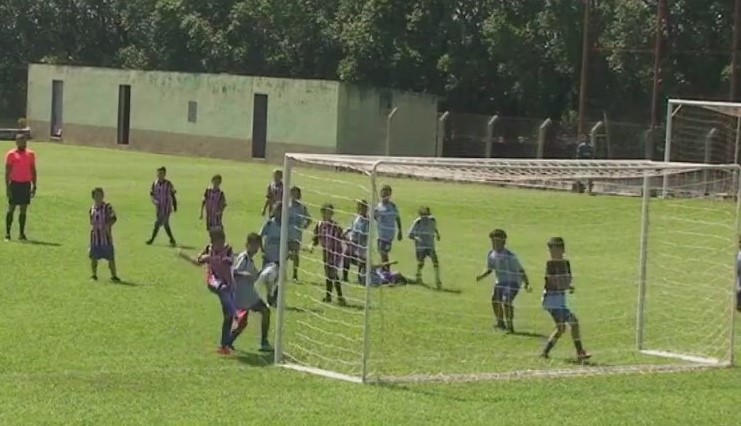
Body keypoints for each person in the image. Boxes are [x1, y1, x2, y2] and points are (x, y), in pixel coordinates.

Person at [180, 227, 236, 355]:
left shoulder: (228, 249)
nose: (220, 245)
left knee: (228, 316)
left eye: (222, 242)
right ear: (213, 241)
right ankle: (233, 311)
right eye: (217, 242)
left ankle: (224, 345)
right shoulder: (208, 249)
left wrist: (210, 258)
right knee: (223, 291)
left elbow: (228, 262)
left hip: (228, 284)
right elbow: (198, 262)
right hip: (214, 281)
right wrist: (186, 256)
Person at [540, 237, 591, 361]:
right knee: (573, 322)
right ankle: (580, 352)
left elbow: (567, 278)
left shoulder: (566, 263)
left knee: (561, 328)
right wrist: (564, 284)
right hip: (551, 300)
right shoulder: (550, 264)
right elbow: (552, 281)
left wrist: (567, 285)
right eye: (551, 251)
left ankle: (544, 352)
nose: (552, 254)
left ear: (562, 250)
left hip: (559, 300)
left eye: (555, 251)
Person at [475, 229, 531, 334]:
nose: (494, 244)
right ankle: (500, 322)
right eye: (493, 241)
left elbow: (520, 270)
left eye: (497, 241)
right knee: (495, 301)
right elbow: (490, 268)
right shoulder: (491, 254)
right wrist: (481, 276)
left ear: (503, 242)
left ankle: (510, 326)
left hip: (512, 282)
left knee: (506, 301)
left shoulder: (510, 256)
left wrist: (526, 283)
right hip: (500, 283)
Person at [230, 233, 273, 352]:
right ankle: (228, 342)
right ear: (248, 245)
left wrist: (265, 272)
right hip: (243, 296)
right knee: (245, 322)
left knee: (263, 312)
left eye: (257, 246)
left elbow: (254, 276)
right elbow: (234, 272)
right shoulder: (243, 258)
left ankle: (228, 342)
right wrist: (245, 274)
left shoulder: (250, 260)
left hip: (249, 295)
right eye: (254, 246)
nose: (256, 249)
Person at [5, 133, 37, 241]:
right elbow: (7, 171)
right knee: (11, 209)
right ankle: (8, 234)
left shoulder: (31, 154)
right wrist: (7, 187)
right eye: (21, 141)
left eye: (25, 141)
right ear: (16, 142)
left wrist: (34, 185)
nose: (23, 143)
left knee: (23, 210)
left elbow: (33, 170)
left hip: (26, 184)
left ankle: (21, 234)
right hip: (14, 184)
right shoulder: (11, 154)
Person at [312, 203, 345, 305]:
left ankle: (339, 296)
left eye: (329, 212)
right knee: (328, 274)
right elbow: (316, 237)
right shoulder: (319, 224)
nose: (327, 214)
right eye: (325, 212)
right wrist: (312, 245)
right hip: (325, 252)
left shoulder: (335, 226)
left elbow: (341, 236)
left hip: (335, 252)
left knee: (333, 274)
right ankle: (329, 296)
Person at [89, 187, 120, 282]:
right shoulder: (92, 209)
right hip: (95, 238)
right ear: (93, 197)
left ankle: (114, 276)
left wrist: (107, 225)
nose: (98, 197)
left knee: (110, 258)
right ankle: (94, 275)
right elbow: (91, 221)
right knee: (94, 258)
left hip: (106, 238)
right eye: (96, 195)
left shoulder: (107, 207)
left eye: (100, 195)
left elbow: (114, 218)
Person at [408, 206, 441, 288]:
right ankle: (418, 276)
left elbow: (434, 228)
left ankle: (437, 280)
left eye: (426, 215)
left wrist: (437, 234)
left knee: (435, 261)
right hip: (421, 246)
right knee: (421, 263)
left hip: (430, 245)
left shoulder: (432, 220)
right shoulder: (417, 222)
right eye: (423, 215)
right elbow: (410, 234)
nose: (424, 217)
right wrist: (417, 238)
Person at [146, 166, 178, 246]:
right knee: (163, 223)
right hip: (159, 208)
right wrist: (154, 200)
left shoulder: (168, 184)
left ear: (164, 174)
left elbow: (173, 195)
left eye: (161, 173)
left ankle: (152, 240)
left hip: (166, 208)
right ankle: (172, 239)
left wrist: (175, 205)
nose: (160, 175)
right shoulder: (154, 183)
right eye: (159, 173)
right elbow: (152, 194)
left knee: (161, 223)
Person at [374, 185, 402, 267]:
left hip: (388, 235)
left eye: (387, 193)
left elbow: (397, 218)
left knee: (384, 253)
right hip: (380, 234)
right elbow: (374, 218)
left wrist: (400, 231)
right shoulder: (378, 206)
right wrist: (375, 215)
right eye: (384, 193)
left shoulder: (393, 206)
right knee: (381, 253)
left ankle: (386, 271)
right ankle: (384, 271)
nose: (385, 195)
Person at [260, 202, 282, 305]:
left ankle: (274, 297)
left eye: (281, 211)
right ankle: (270, 295)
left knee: (278, 279)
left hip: (279, 258)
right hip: (268, 257)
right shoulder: (269, 224)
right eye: (277, 210)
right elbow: (260, 236)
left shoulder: (285, 226)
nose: (279, 213)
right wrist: (262, 250)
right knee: (267, 279)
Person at [287, 187, 311, 281]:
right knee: (285, 254)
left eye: (296, 194)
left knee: (296, 254)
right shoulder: (287, 206)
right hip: (287, 234)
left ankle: (295, 275)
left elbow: (309, 219)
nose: (294, 196)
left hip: (296, 234)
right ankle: (282, 273)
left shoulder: (302, 207)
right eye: (292, 193)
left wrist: (304, 226)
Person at [343, 200, 369, 284]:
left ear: (366, 208)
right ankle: (345, 277)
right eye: (359, 207)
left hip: (361, 244)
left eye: (363, 207)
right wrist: (345, 232)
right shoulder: (356, 218)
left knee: (361, 261)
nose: (361, 209)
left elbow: (365, 234)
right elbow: (351, 227)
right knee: (346, 256)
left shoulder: (367, 221)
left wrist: (357, 242)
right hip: (352, 242)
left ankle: (360, 277)